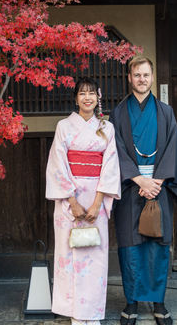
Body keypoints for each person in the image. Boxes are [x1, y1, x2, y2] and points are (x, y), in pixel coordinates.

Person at [110, 55, 177, 325]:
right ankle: (131, 303)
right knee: (130, 245)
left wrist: (157, 181)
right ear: (129, 78)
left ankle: (159, 303)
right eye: (137, 75)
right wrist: (138, 179)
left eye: (146, 75)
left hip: (160, 187)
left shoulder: (165, 111)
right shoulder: (117, 113)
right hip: (131, 187)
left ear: (152, 78)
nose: (142, 79)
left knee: (158, 244)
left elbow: (172, 148)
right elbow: (115, 150)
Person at [45, 77, 121, 325]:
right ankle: (76, 314)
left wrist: (99, 201)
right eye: (82, 93)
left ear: (98, 97)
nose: (87, 98)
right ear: (76, 98)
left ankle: (92, 313)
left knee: (95, 254)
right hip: (70, 200)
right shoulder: (64, 126)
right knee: (69, 253)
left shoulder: (106, 128)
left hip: (96, 197)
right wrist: (72, 201)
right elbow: (57, 164)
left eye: (91, 93)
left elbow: (110, 166)